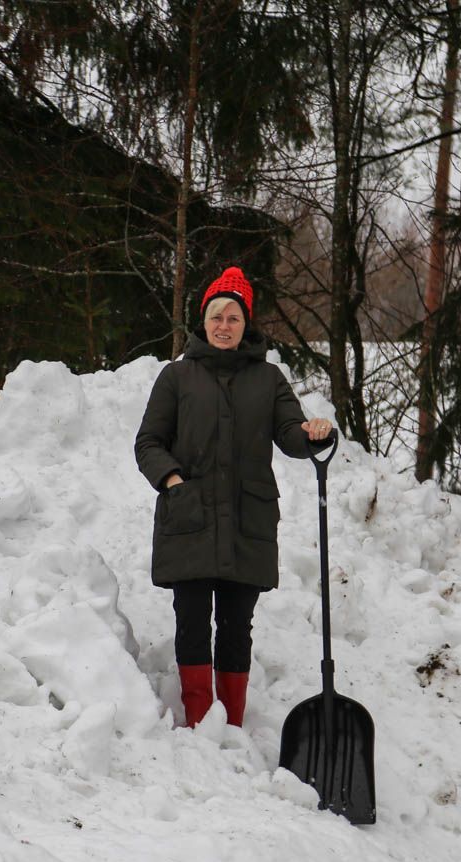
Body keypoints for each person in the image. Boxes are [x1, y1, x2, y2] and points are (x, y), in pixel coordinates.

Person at [135, 266, 333, 728]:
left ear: (247, 325)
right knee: (191, 620)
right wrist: (172, 481)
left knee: (236, 626)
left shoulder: (268, 379)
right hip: (191, 517)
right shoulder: (176, 377)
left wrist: (313, 434)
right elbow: (148, 442)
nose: (224, 326)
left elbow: (290, 434)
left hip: (248, 519)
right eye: (217, 317)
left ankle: (233, 722)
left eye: (234, 318)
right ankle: (200, 719)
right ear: (203, 321)